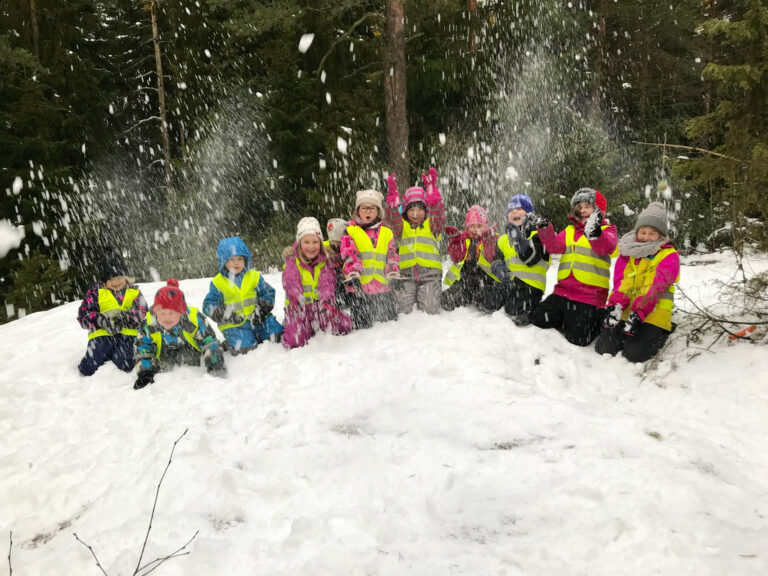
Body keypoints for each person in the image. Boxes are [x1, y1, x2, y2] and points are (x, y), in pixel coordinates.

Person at [529, 187, 618, 346]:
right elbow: (554, 247)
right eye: (580, 207)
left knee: (578, 339)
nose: (583, 211)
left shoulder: (607, 230)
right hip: (563, 292)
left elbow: (606, 247)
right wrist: (544, 228)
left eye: (588, 207)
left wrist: (594, 233)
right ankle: (568, 317)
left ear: (599, 210)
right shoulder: (569, 230)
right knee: (538, 317)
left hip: (589, 296)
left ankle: (598, 316)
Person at [595, 202, 679, 362]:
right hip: (629, 310)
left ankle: (662, 332)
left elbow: (655, 287)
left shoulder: (669, 255)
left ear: (661, 235)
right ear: (637, 231)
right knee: (605, 347)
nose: (646, 237)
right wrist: (617, 306)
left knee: (635, 353)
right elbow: (622, 283)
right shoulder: (628, 252)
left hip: (654, 311)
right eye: (643, 232)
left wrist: (639, 312)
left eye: (652, 233)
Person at [134, 279, 225, 389]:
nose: (166, 318)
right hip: (163, 355)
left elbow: (209, 341)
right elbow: (143, 349)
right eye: (162, 313)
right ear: (155, 312)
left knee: (190, 358)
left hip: (191, 352)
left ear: (181, 311)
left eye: (171, 313)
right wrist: (145, 372)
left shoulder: (193, 319)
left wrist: (214, 362)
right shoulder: (149, 324)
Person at [282, 217, 353, 348]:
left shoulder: (325, 260)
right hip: (299, 309)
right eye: (306, 242)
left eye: (315, 242)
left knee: (344, 326)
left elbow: (328, 282)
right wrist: (297, 297)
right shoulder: (293, 261)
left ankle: (325, 320)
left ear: (320, 243)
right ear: (299, 243)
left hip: (321, 308)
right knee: (294, 341)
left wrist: (326, 302)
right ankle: (292, 324)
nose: (311, 246)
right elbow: (291, 281)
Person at [203, 236, 282, 353]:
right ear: (223, 260)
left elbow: (267, 293)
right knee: (245, 348)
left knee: (277, 336)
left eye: (240, 259)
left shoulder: (254, 276)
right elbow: (209, 305)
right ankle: (232, 342)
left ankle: (256, 334)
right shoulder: (218, 282)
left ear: (245, 259)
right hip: (235, 325)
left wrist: (261, 310)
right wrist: (226, 314)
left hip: (259, 319)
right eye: (231, 259)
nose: (236, 263)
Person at [384, 167, 445, 314]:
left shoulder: (432, 224)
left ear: (426, 210)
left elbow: (438, 215)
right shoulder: (401, 226)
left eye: (420, 209)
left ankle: (427, 294)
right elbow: (393, 221)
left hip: (430, 275)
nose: (416, 213)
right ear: (405, 211)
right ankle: (415, 295)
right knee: (402, 311)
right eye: (411, 209)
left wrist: (434, 199)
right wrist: (393, 206)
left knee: (430, 310)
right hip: (406, 275)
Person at [76, 249, 147, 376]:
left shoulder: (133, 291)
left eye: (119, 277)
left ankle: (116, 355)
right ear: (104, 281)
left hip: (127, 334)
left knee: (125, 364)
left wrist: (126, 318)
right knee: (89, 368)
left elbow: (142, 311)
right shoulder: (96, 292)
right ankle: (103, 355)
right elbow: (84, 315)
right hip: (102, 334)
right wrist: (101, 321)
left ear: (125, 277)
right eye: (110, 279)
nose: (116, 282)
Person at [340, 189, 400, 329]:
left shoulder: (386, 231)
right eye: (364, 208)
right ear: (358, 211)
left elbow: (392, 254)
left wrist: (393, 273)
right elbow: (348, 254)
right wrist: (353, 273)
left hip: (383, 287)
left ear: (378, 211)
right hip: (361, 289)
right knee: (363, 327)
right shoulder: (350, 230)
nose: (368, 212)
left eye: (372, 208)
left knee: (389, 326)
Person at [490, 193, 550, 325]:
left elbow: (531, 259)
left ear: (529, 214)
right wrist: (497, 266)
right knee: (487, 299)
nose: (514, 211)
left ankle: (536, 311)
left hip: (530, 287)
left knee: (515, 310)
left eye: (519, 209)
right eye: (511, 210)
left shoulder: (538, 235)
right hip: (510, 283)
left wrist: (520, 242)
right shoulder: (504, 239)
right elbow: (497, 257)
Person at [441, 204, 502, 312]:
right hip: (465, 282)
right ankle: (469, 297)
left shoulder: (492, 238)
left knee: (489, 301)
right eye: (472, 226)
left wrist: (488, 242)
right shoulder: (463, 240)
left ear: (486, 226)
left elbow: (491, 256)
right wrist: (455, 243)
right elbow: (456, 257)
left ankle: (481, 299)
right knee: (446, 300)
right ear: (467, 227)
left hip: (486, 281)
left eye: (479, 226)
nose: (475, 230)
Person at [324, 217, 350, 308]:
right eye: (332, 242)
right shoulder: (324, 247)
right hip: (332, 282)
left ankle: (347, 299)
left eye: (338, 242)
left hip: (345, 279)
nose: (334, 245)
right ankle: (335, 299)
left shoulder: (348, 247)